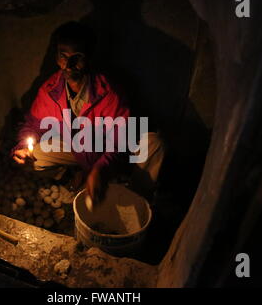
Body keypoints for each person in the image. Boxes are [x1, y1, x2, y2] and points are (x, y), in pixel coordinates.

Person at [11, 21, 164, 206]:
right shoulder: (50, 89)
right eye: (63, 56)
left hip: (107, 150)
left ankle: (135, 201)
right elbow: (33, 124)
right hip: (79, 148)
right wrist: (22, 145)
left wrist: (100, 168)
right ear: (56, 56)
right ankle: (71, 176)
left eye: (77, 57)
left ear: (89, 58)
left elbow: (119, 140)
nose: (68, 65)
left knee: (154, 145)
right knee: (31, 159)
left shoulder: (108, 92)